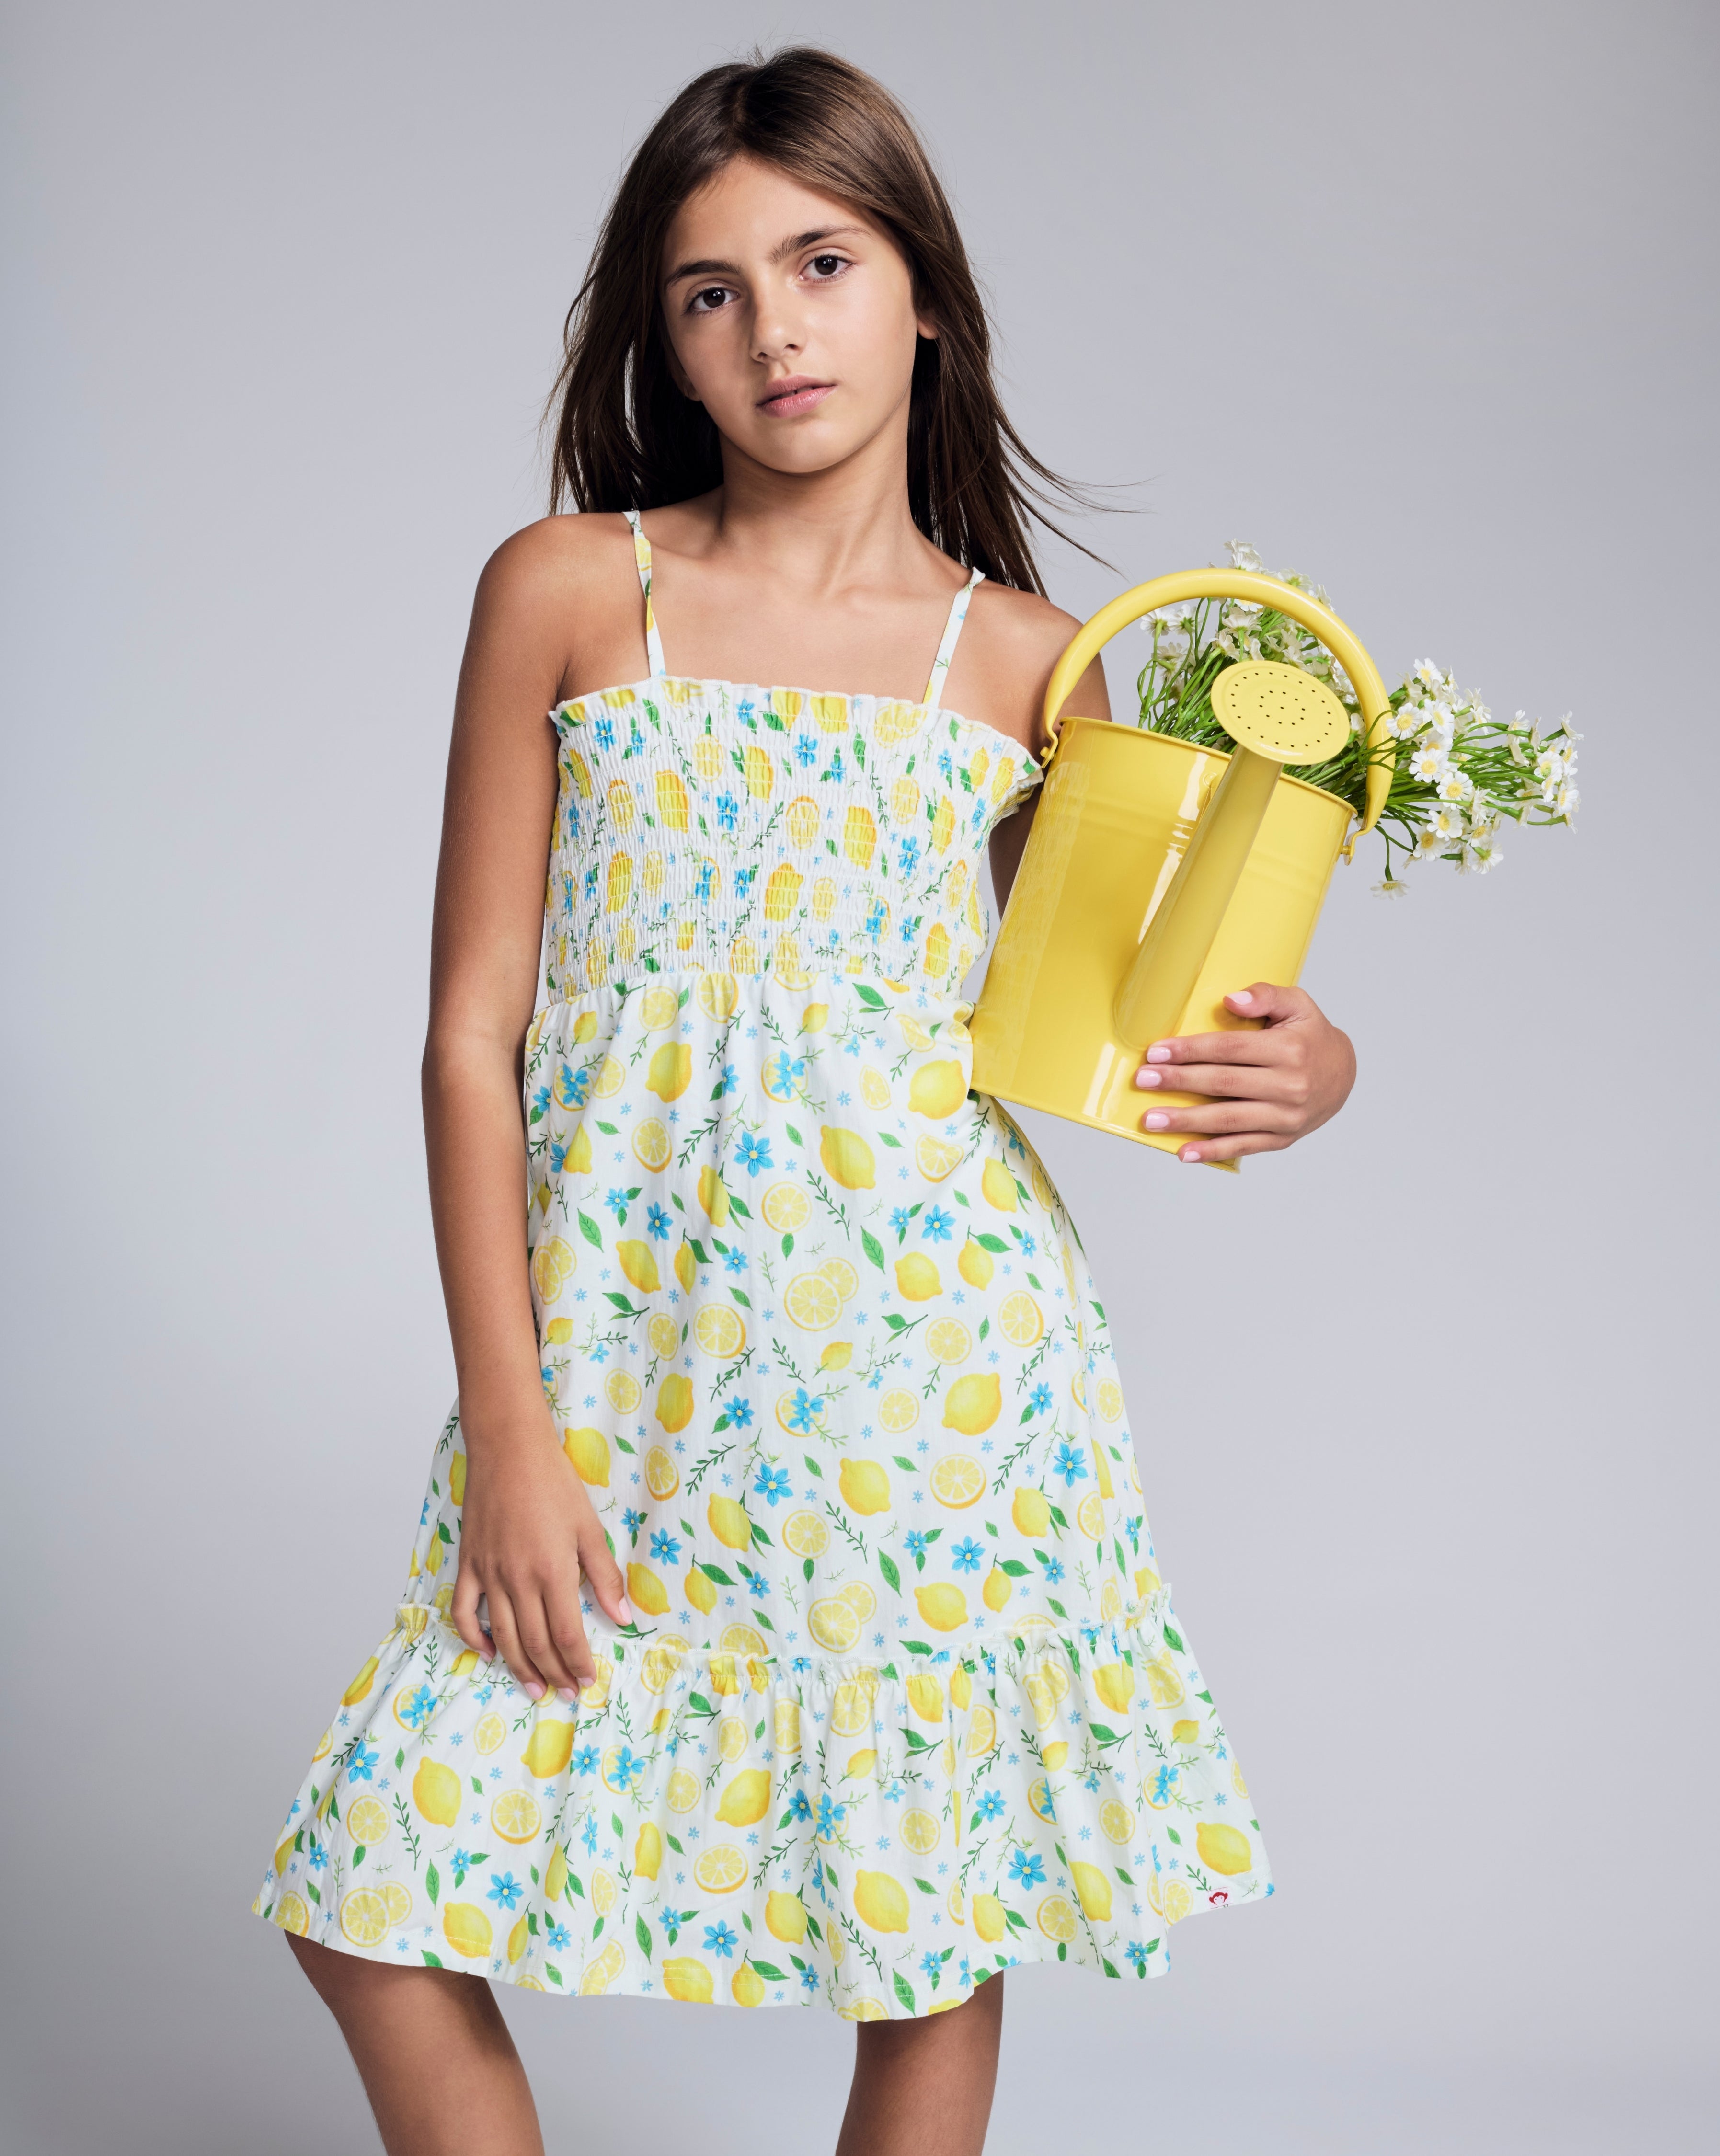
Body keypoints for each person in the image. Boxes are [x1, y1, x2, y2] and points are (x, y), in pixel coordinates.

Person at [252, 46, 1357, 2156]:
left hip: (933, 1382)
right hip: (618, 1374)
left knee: (924, 1938)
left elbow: (1127, 1046)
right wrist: (511, 1423)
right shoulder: (574, 592)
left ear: (920, 291)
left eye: (822, 262)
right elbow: (466, 1033)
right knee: (371, 1905)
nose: (773, 328)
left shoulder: (1039, 663)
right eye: (708, 289)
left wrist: (1310, 1063)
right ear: (662, 339)